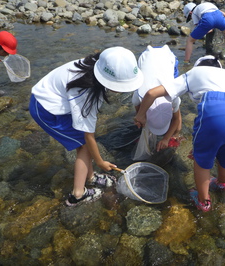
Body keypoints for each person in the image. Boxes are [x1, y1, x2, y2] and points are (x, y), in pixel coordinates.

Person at [134, 55, 225, 212]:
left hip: (219, 107)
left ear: (197, 66)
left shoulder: (192, 74)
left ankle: (203, 201)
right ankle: (223, 184)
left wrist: (140, 115)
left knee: (201, 159)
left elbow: (152, 93)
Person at [29, 47, 144, 207]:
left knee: (83, 145)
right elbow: (88, 136)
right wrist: (101, 161)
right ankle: (77, 194)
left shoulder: (95, 64)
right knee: (83, 146)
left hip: (54, 96)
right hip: (46, 108)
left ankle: (90, 177)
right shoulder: (85, 92)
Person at [132, 45, 182, 159]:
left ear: (171, 109)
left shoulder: (173, 96)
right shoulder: (138, 97)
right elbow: (139, 115)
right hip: (147, 57)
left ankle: (175, 135)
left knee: (177, 129)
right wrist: (140, 119)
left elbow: (177, 119)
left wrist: (167, 138)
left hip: (168, 58)